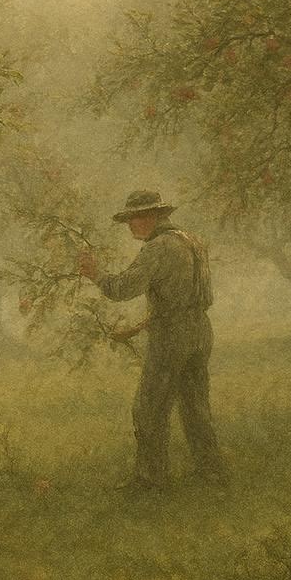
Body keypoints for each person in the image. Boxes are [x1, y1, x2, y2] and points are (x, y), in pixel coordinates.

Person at [78, 190, 227, 490]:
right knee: (195, 406)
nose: (131, 226)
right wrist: (136, 329)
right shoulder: (193, 242)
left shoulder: (158, 248)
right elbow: (182, 298)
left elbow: (122, 289)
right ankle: (212, 473)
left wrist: (96, 274)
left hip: (172, 337)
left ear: (149, 217)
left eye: (133, 219)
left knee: (149, 408)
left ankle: (151, 479)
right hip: (200, 331)